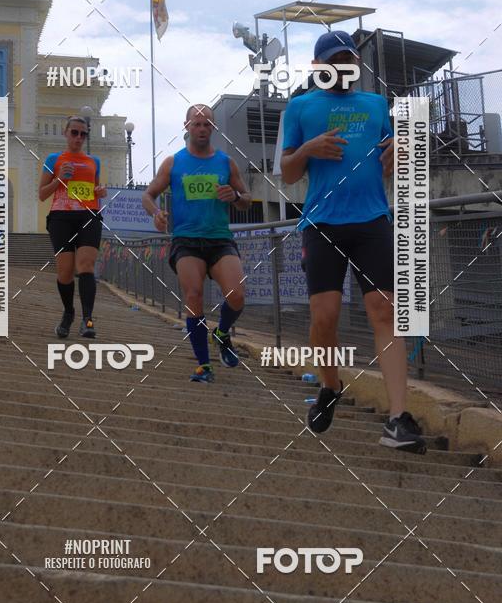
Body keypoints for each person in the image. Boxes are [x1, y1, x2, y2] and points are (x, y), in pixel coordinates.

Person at [280, 30, 426, 454]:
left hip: (372, 219)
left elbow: (397, 152)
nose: (344, 66)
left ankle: (398, 418)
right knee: (324, 317)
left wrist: (400, 147)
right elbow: (288, 174)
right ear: (319, 67)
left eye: (349, 59)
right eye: (335, 60)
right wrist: (308, 148)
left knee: (385, 309)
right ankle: (330, 385)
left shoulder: (376, 104)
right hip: (322, 222)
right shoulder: (301, 108)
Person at [142, 104, 251, 383]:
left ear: (213, 128)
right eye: (197, 124)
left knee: (237, 295)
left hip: (219, 239)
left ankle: (222, 333)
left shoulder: (226, 162)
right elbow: (148, 195)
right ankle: (204, 365)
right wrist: (157, 214)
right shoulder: (174, 163)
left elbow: (246, 198)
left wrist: (235, 197)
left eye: (207, 125)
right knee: (194, 295)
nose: (202, 129)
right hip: (186, 240)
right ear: (187, 126)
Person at [39, 116, 107, 339]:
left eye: (83, 134)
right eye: (74, 132)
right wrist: (59, 179)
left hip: (88, 215)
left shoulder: (93, 161)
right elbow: (42, 194)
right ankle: (69, 313)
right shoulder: (54, 158)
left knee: (86, 265)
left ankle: (88, 319)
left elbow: (94, 188)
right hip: (61, 218)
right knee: (65, 272)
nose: (79, 137)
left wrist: (100, 191)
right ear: (66, 133)